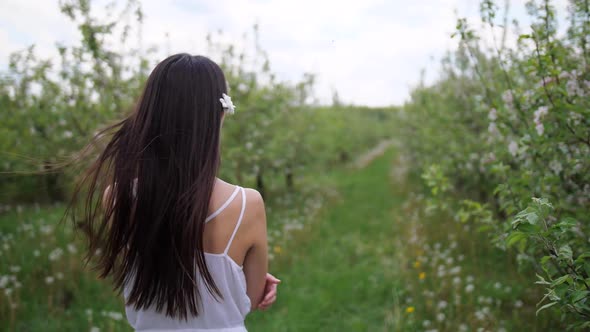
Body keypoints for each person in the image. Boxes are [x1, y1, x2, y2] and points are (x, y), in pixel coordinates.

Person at [69, 54, 279, 331]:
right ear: (220, 114)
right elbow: (251, 300)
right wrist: (237, 280)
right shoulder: (245, 204)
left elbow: (153, 272)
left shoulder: (117, 196)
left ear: (149, 113)